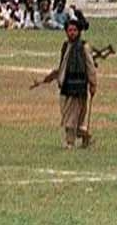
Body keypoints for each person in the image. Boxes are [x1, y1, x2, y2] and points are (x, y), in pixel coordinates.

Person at [33, 19, 98, 149]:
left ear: (79, 31)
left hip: (78, 86)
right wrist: (52, 78)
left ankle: (70, 142)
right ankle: (85, 136)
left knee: (71, 116)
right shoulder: (66, 46)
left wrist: (93, 83)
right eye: (70, 30)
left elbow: (90, 67)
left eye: (74, 30)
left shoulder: (84, 47)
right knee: (69, 115)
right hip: (65, 86)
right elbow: (62, 66)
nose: (72, 33)